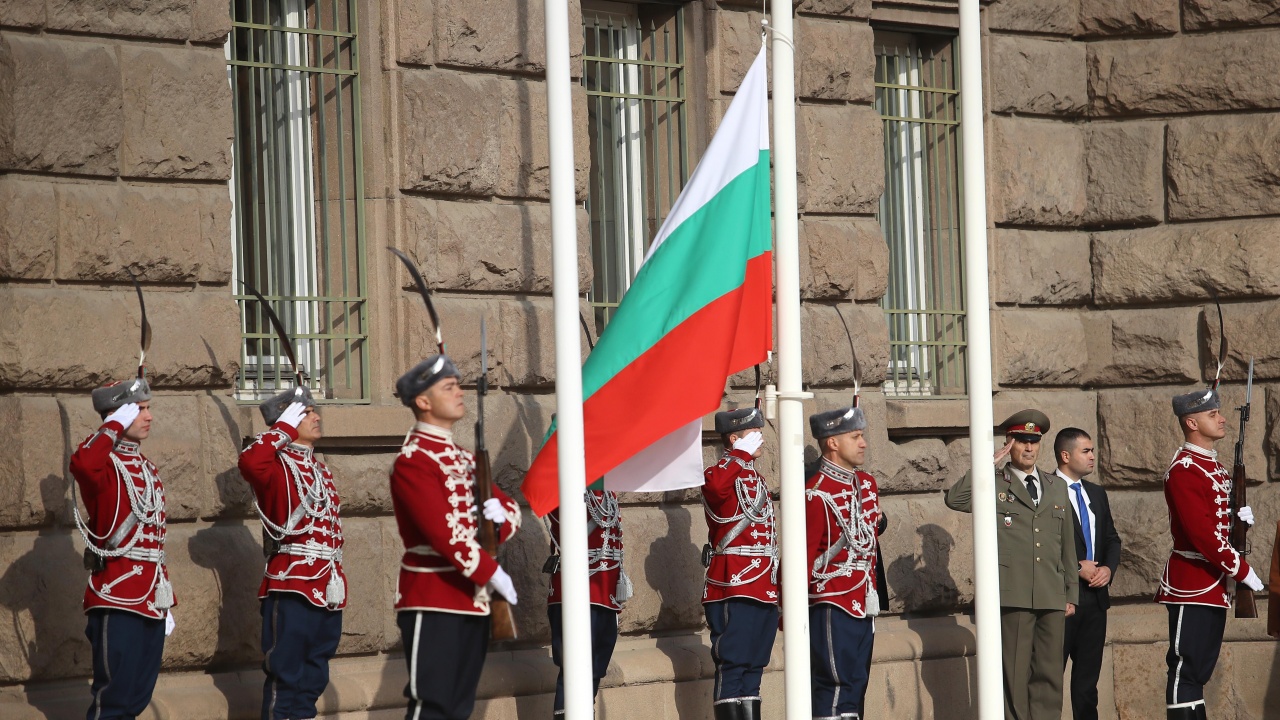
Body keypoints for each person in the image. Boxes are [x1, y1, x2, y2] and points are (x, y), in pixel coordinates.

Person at [389, 352, 522, 720]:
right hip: (433, 596)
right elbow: (442, 532)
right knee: (431, 706)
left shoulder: (463, 457)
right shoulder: (414, 461)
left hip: (471, 598)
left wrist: (499, 521)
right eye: (449, 387)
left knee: (459, 709)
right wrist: (491, 572)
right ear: (423, 401)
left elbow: (509, 507)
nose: (459, 392)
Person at [945, 409, 1077, 720]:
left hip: (1051, 593)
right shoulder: (993, 482)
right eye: (1021, 441)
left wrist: (1071, 591)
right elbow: (955, 499)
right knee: (1014, 674)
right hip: (1013, 592)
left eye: (1034, 441)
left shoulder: (1055, 485)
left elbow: (1067, 542)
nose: (1029, 448)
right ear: (1009, 443)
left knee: (1050, 674)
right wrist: (986, 463)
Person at [70, 378, 176, 720]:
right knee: (112, 703)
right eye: (139, 409)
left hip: (150, 599)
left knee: (135, 701)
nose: (148, 417)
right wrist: (113, 425)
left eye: (148, 409)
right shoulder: (104, 467)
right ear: (118, 413)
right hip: (116, 598)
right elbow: (84, 463)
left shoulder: (146, 468)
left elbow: (153, 541)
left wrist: (162, 594)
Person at [238, 387, 346, 720]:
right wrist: (281, 430)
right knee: (284, 680)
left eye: (314, 411)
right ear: (287, 419)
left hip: (327, 587)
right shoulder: (277, 466)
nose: (316, 417)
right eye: (307, 412)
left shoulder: (319, 469)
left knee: (313, 679)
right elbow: (251, 461)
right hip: (292, 584)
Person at [1157, 388, 1263, 720]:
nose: (1222, 418)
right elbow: (1201, 535)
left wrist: (1239, 519)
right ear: (1191, 422)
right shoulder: (1185, 469)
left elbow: (1217, 522)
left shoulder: (1211, 465)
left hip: (1212, 582)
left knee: (1201, 668)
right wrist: (1241, 569)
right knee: (1186, 667)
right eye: (1212, 414)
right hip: (1192, 581)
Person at [806, 403, 884, 720]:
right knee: (833, 688)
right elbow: (804, 554)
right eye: (855, 437)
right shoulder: (815, 492)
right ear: (833, 442)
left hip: (865, 600)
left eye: (862, 435)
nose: (864, 443)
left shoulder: (867, 484)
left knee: (855, 689)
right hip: (832, 601)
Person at [702, 408, 778, 720]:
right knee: (732, 665)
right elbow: (715, 488)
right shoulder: (719, 473)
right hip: (733, 584)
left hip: (763, 586)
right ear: (734, 439)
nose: (760, 437)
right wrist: (738, 456)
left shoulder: (755, 479)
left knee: (754, 668)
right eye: (752, 433)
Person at [544, 483, 629, 716]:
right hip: (576, 590)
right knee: (573, 670)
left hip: (604, 592)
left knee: (594, 669)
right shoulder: (566, 485)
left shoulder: (606, 492)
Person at [1054, 428, 1120, 720]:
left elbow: (1111, 539)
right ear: (1065, 455)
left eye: (1092, 450)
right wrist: (1076, 566)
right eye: (1086, 451)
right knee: (1049, 678)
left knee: (1087, 684)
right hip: (1061, 599)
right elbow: (1040, 545)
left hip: (1095, 600)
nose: (1093, 456)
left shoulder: (1096, 492)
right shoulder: (1046, 488)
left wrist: (1107, 568)